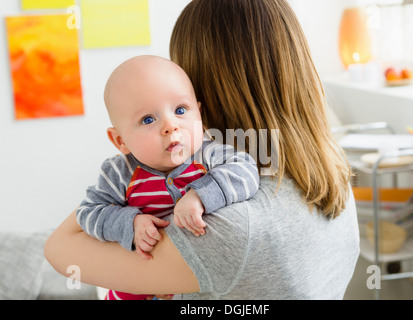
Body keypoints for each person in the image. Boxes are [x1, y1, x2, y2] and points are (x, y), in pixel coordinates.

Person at [45, 0, 360, 300]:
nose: (169, 126)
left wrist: (130, 163)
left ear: (203, 94)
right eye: (149, 118)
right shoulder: (335, 173)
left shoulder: (226, 226)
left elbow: (58, 248)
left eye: (180, 104)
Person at [76, 55, 259, 300]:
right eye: (148, 119)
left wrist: (200, 195)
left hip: (195, 285)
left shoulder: (208, 154)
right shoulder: (119, 172)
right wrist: (129, 223)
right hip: (135, 284)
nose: (171, 125)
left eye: (181, 110)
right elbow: (87, 213)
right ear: (120, 140)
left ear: (199, 115)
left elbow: (246, 170)